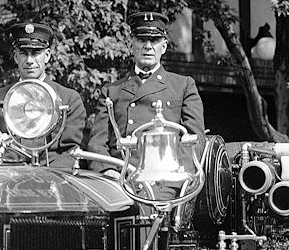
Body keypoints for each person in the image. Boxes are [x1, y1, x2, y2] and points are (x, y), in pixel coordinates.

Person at [84, 11, 205, 162]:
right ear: (131, 45)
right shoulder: (111, 91)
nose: (148, 46)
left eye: (154, 40)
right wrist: (108, 170)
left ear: (164, 46)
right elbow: (97, 143)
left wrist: (179, 177)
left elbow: (194, 140)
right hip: (119, 178)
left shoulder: (183, 86)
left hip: (166, 178)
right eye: (141, 40)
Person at [0, 21, 86, 155]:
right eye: (23, 53)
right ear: (16, 56)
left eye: (35, 53)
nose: (29, 60)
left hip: (51, 173)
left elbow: (70, 152)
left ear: (47, 56)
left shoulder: (69, 99)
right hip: (7, 171)